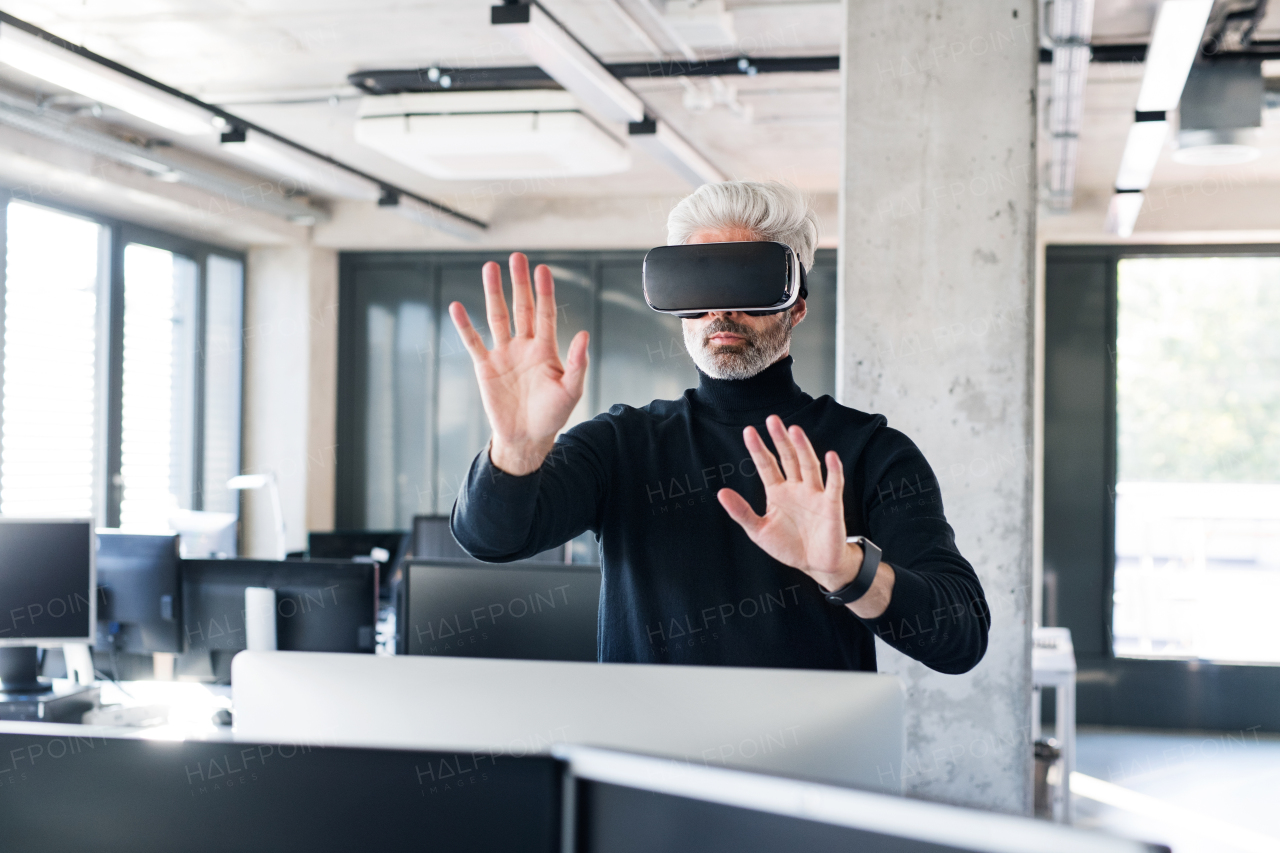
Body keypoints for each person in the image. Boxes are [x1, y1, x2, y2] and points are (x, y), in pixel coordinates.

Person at [449, 181, 988, 674]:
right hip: (645, 767)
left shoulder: (871, 451)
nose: (720, 310)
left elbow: (960, 636)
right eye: (700, 284)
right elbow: (490, 540)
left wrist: (847, 570)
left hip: (813, 768)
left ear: (797, 306)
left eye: (747, 283)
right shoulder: (621, 445)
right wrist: (516, 451)